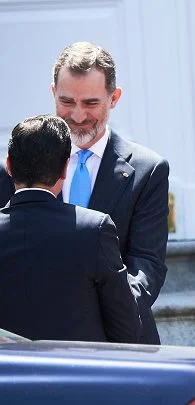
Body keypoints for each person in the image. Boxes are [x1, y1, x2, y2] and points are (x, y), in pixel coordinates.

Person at [0, 42, 169, 344]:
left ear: (114, 98)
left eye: (91, 103)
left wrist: (113, 312)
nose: (77, 116)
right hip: (30, 347)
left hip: (121, 345)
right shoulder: (12, 170)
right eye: (67, 101)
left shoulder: (148, 170)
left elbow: (147, 264)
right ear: (53, 93)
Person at [0, 115, 140, 343]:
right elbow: (126, 327)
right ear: (65, 168)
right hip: (80, 373)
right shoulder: (94, 228)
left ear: (9, 166)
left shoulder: (94, 228)